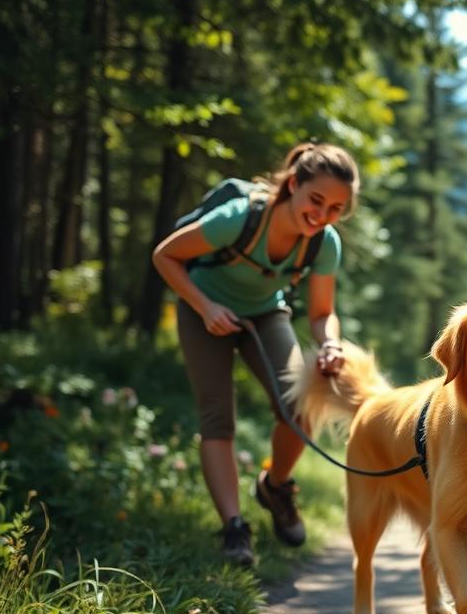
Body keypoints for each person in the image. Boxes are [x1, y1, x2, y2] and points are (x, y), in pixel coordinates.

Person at [152, 142, 359, 566]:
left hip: (264, 314)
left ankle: (274, 486)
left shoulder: (325, 244)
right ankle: (234, 528)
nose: (321, 215)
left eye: (335, 209)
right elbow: (165, 255)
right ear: (294, 184)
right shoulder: (240, 218)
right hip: (204, 310)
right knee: (217, 419)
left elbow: (322, 314)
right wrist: (205, 307)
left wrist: (331, 343)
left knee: (302, 406)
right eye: (315, 200)